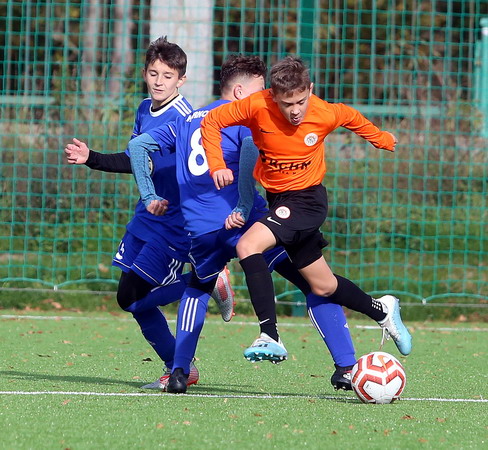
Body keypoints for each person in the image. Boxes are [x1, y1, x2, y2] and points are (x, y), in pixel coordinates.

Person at [129, 55, 359, 394]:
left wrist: (149, 195)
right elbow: (252, 151)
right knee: (312, 282)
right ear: (239, 92)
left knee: (197, 288)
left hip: (203, 228)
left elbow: (137, 146)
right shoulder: (245, 118)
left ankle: (179, 372)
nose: (268, 98)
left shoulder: (187, 119)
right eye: (261, 90)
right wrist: (245, 204)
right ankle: (346, 367)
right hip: (247, 221)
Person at [201, 55, 412, 357]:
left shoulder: (323, 112)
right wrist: (217, 164)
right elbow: (212, 121)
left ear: (310, 89)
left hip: (308, 200)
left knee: (248, 245)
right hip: (279, 200)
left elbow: (350, 116)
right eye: (288, 104)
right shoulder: (256, 105)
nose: (296, 110)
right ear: (273, 95)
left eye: (301, 101)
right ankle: (382, 310)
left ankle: (269, 334)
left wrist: (381, 138)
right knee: (323, 286)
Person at [64, 36, 234, 392]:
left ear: (181, 80)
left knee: (131, 298)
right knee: (132, 301)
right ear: (145, 73)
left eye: (167, 76)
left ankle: (205, 279)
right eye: (154, 73)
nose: (159, 81)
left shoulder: (185, 118)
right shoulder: (145, 108)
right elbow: (136, 159)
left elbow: (199, 172)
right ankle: (179, 367)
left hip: (174, 223)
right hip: (145, 216)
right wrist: (92, 158)